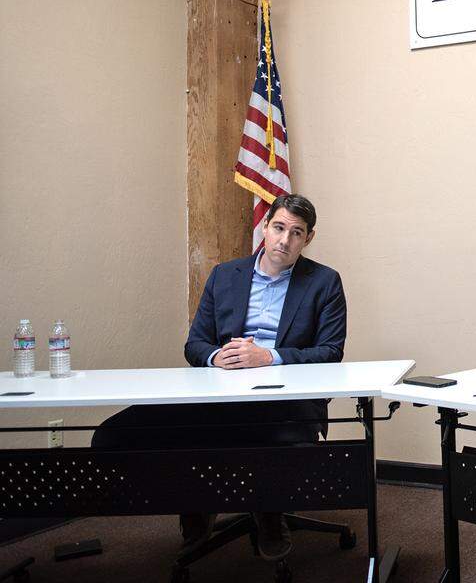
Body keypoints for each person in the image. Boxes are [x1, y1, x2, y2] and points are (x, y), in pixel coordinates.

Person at [92, 193, 346, 562]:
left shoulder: (324, 281)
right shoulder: (225, 275)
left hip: (285, 400)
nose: (284, 240)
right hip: (220, 393)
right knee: (115, 434)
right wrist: (216, 357)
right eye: (278, 228)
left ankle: (268, 512)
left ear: (308, 238)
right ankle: (196, 498)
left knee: (266, 437)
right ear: (265, 227)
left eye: (296, 233)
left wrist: (269, 357)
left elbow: (330, 352)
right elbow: (195, 344)